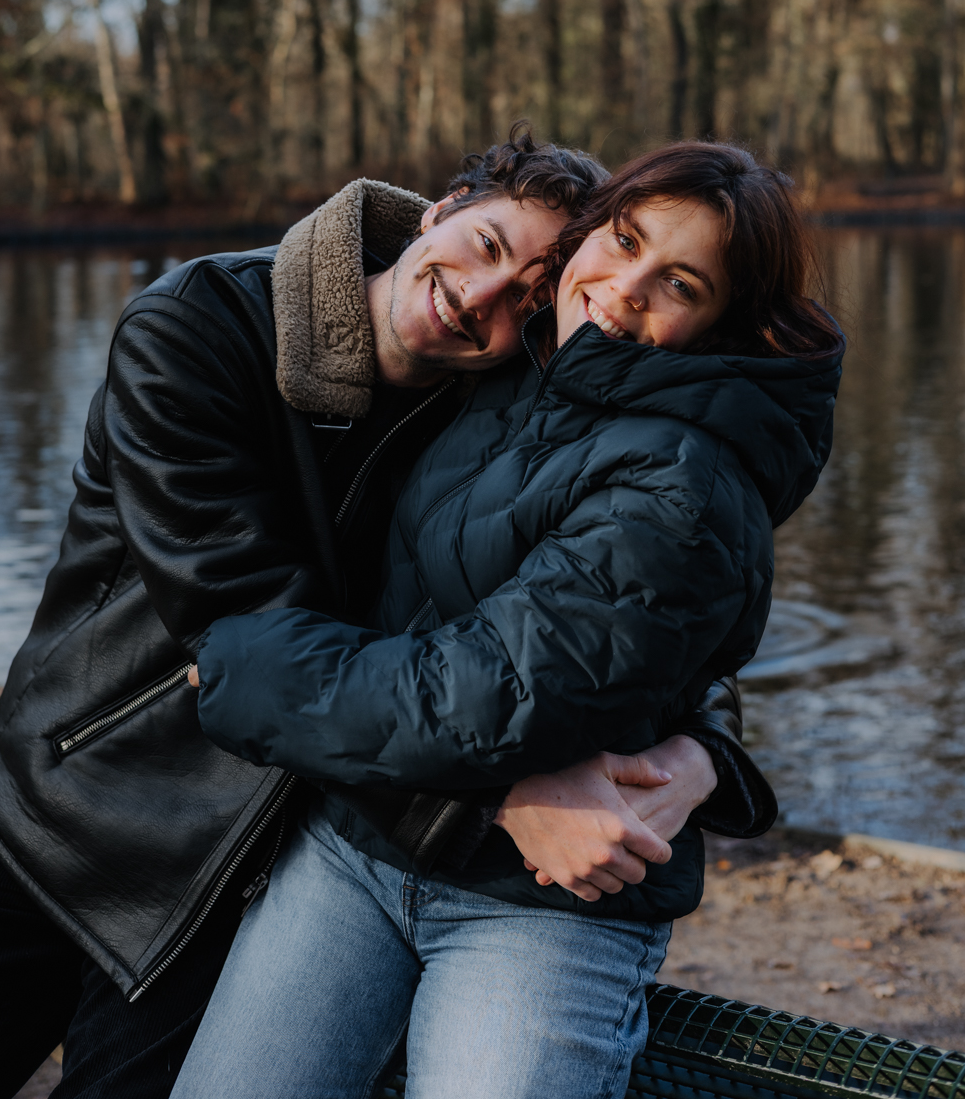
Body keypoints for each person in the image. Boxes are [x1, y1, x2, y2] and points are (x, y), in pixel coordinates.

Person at [0, 129, 751, 1099]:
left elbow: (626, 617)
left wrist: (701, 757)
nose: (479, 297)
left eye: (525, 296)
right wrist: (500, 788)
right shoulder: (202, 326)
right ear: (439, 208)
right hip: (60, 823)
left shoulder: (501, 417)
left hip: (243, 881)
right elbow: (250, 640)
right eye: (483, 246)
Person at [174, 142, 844, 1099]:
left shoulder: (683, 479)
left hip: (543, 903)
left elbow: (482, 697)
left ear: (719, 324)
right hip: (355, 847)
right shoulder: (506, 359)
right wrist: (698, 747)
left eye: (679, 283)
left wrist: (245, 665)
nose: (622, 289)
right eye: (622, 240)